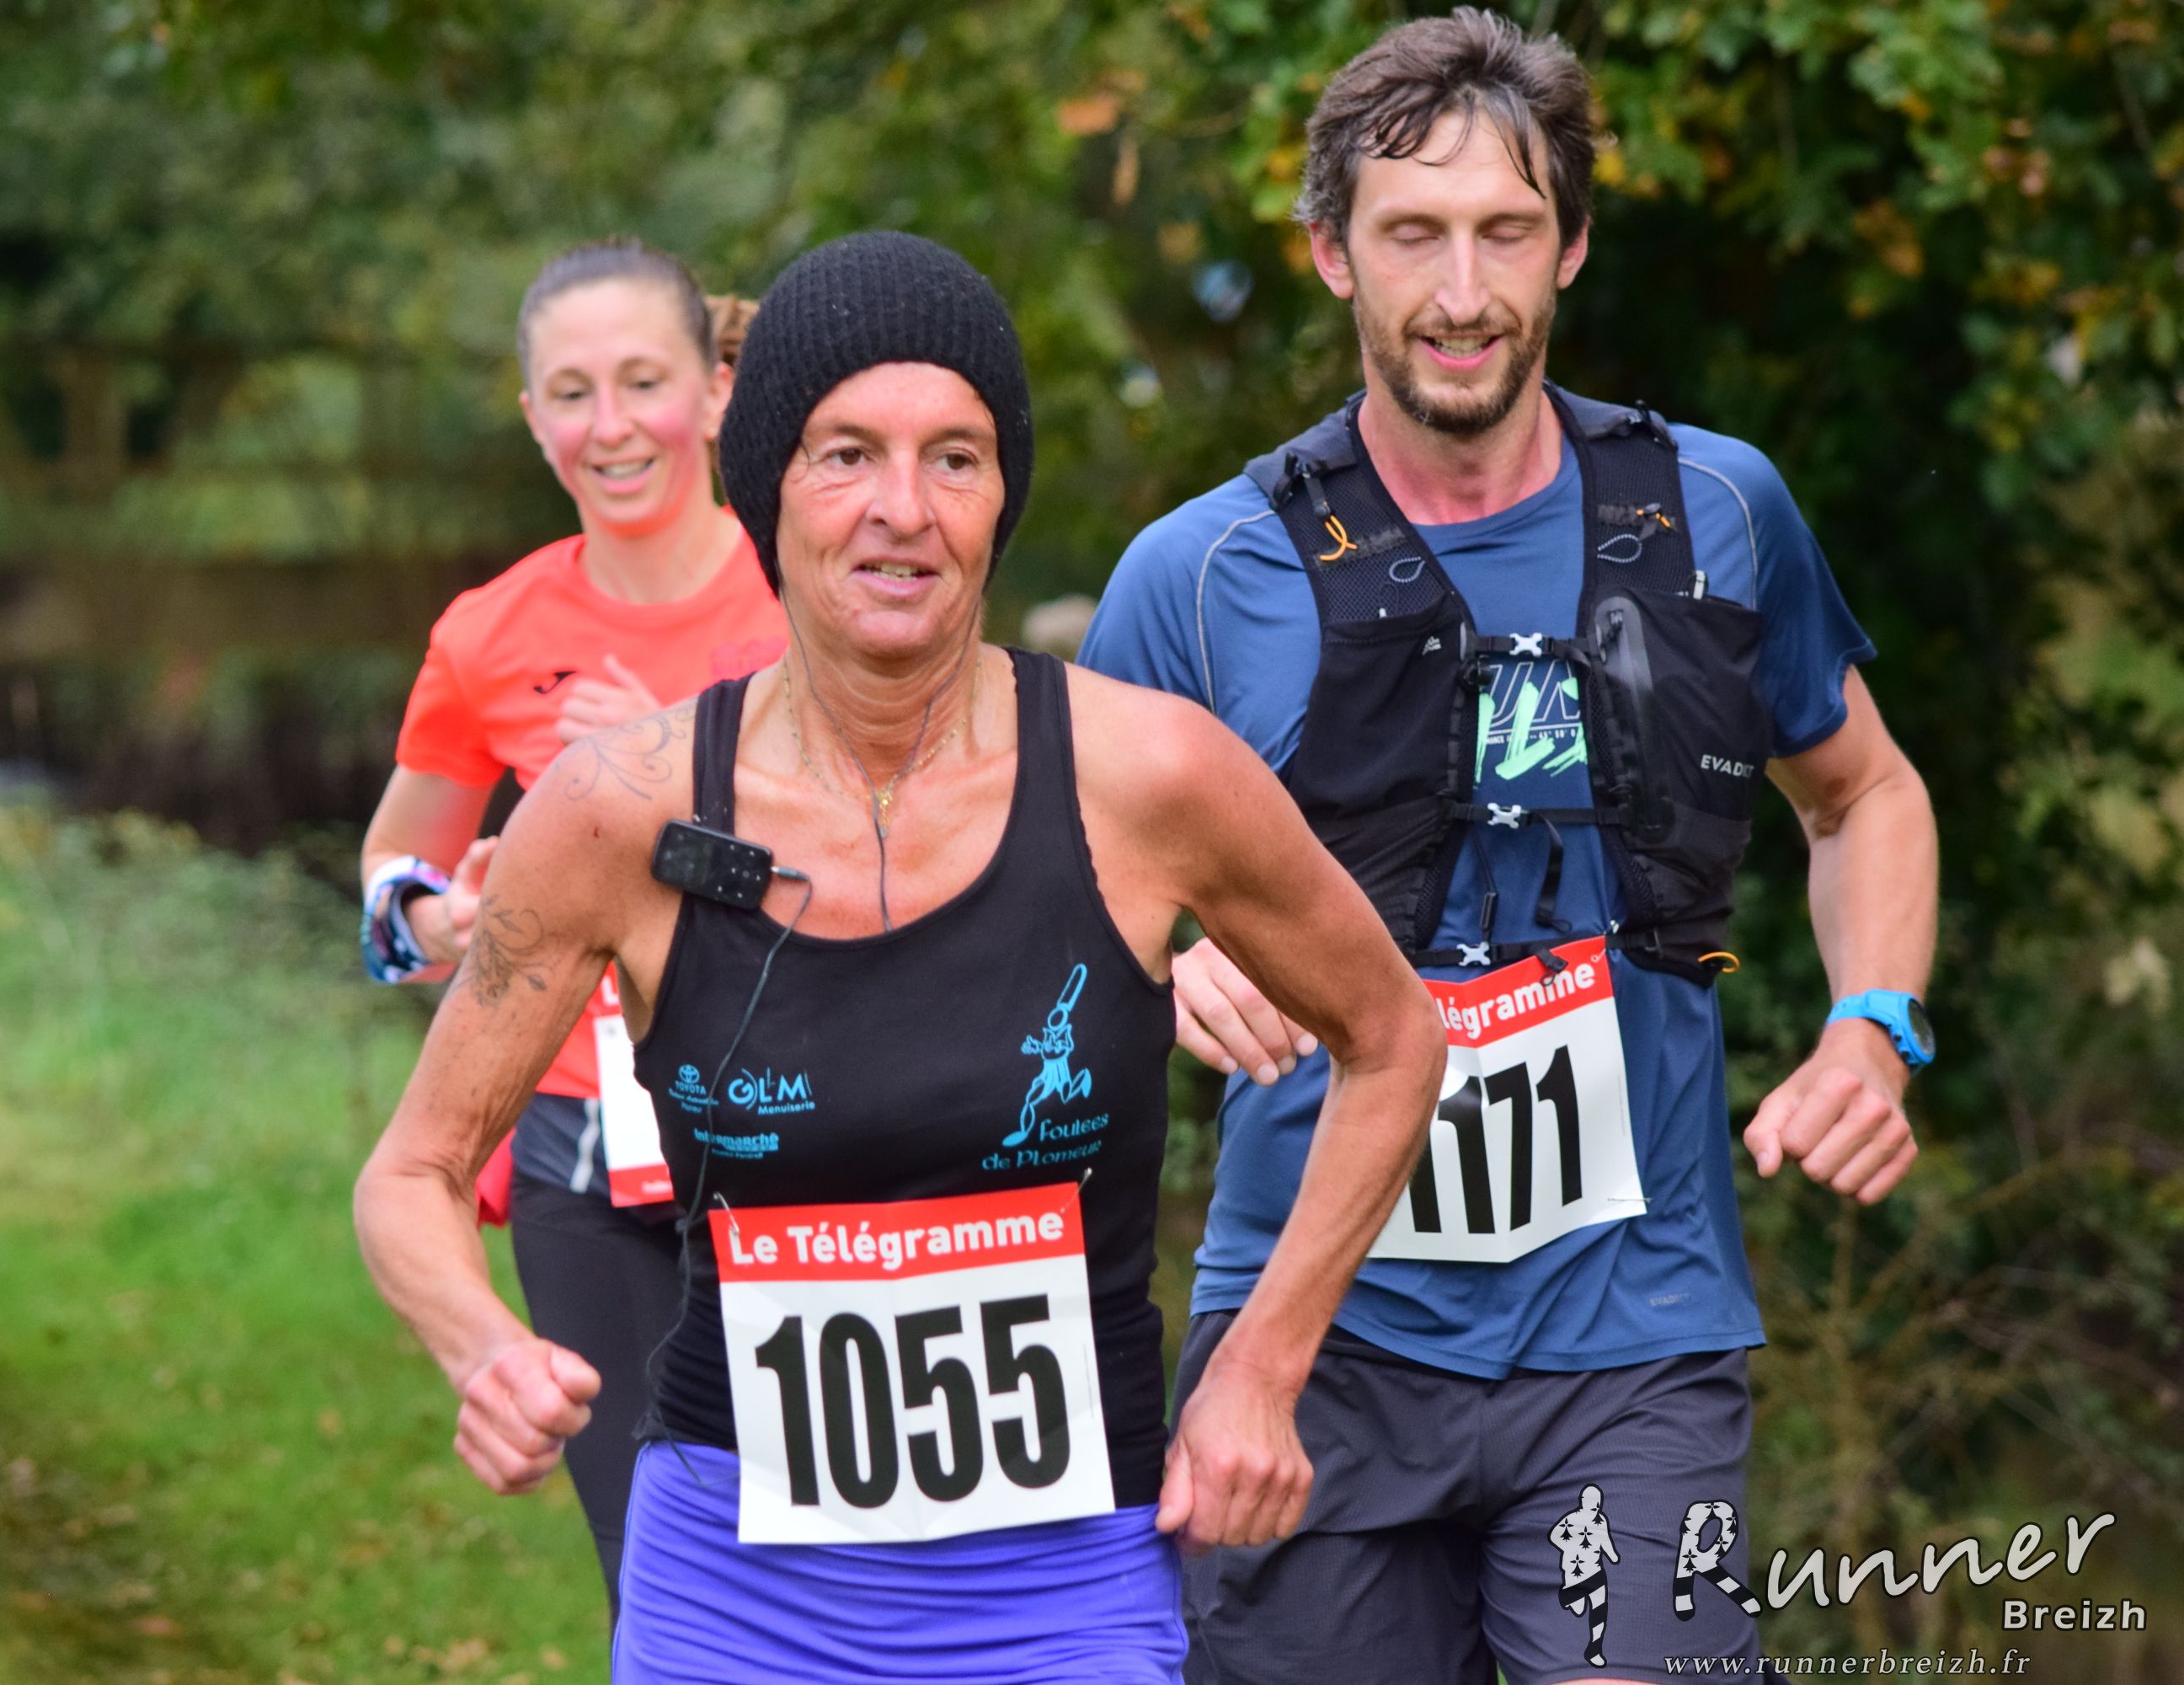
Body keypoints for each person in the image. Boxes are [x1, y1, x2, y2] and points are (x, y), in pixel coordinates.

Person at [352, 231, 1446, 1684]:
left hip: (1067, 1583)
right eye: (846, 455)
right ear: (767, 488)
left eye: (956, 458)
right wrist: (482, 1348)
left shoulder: (1152, 776)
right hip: (732, 1585)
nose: (902, 511)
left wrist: (1262, 1363)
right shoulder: (617, 810)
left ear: (1002, 497)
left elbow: (1395, 1036)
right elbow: (414, 1171)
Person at [1079, 12, 1941, 1682]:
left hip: (1634, 1333)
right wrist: (1164, 965)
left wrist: (1872, 1024)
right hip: (1310, 1332)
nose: (1461, 290)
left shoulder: (1716, 511)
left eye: (1504, 231)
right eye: (1412, 234)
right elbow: (1048, 900)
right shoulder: (1198, 574)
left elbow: (1861, 796)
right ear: (1331, 252)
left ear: (1571, 245)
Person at [355, 240, 784, 1606]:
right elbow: (389, 881)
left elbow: (900, 879)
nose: (611, 426)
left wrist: (667, 787)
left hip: (800, 1134)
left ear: (715, 391)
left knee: (832, 1562)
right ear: (532, 417)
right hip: (580, 1163)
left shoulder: (818, 588)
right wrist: (441, 921)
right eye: (571, 393)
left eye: (642, 382)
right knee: (657, 1574)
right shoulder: (488, 633)